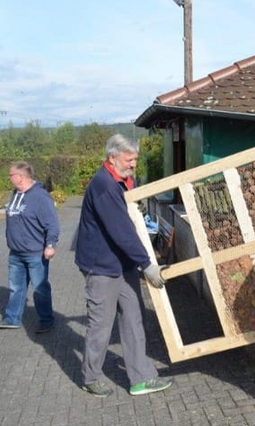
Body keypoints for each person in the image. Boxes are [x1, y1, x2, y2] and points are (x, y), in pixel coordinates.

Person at [75, 134, 172, 398]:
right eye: (129, 160)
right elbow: (120, 230)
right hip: (102, 265)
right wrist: (147, 264)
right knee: (101, 324)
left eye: (135, 160)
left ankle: (140, 378)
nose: (133, 165)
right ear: (112, 157)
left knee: (133, 316)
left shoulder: (125, 180)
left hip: (123, 262)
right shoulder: (104, 185)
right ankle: (91, 377)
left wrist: (136, 207)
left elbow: (130, 218)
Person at [0, 162, 59, 334]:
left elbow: (52, 224)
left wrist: (50, 245)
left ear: (20, 177)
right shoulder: (15, 194)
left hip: (35, 253)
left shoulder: (40, 197)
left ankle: (46, 320)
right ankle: (12, 318)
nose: (9, 178)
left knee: (40, 288)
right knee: (16, 288)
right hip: (15, 252)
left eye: (11, 175)